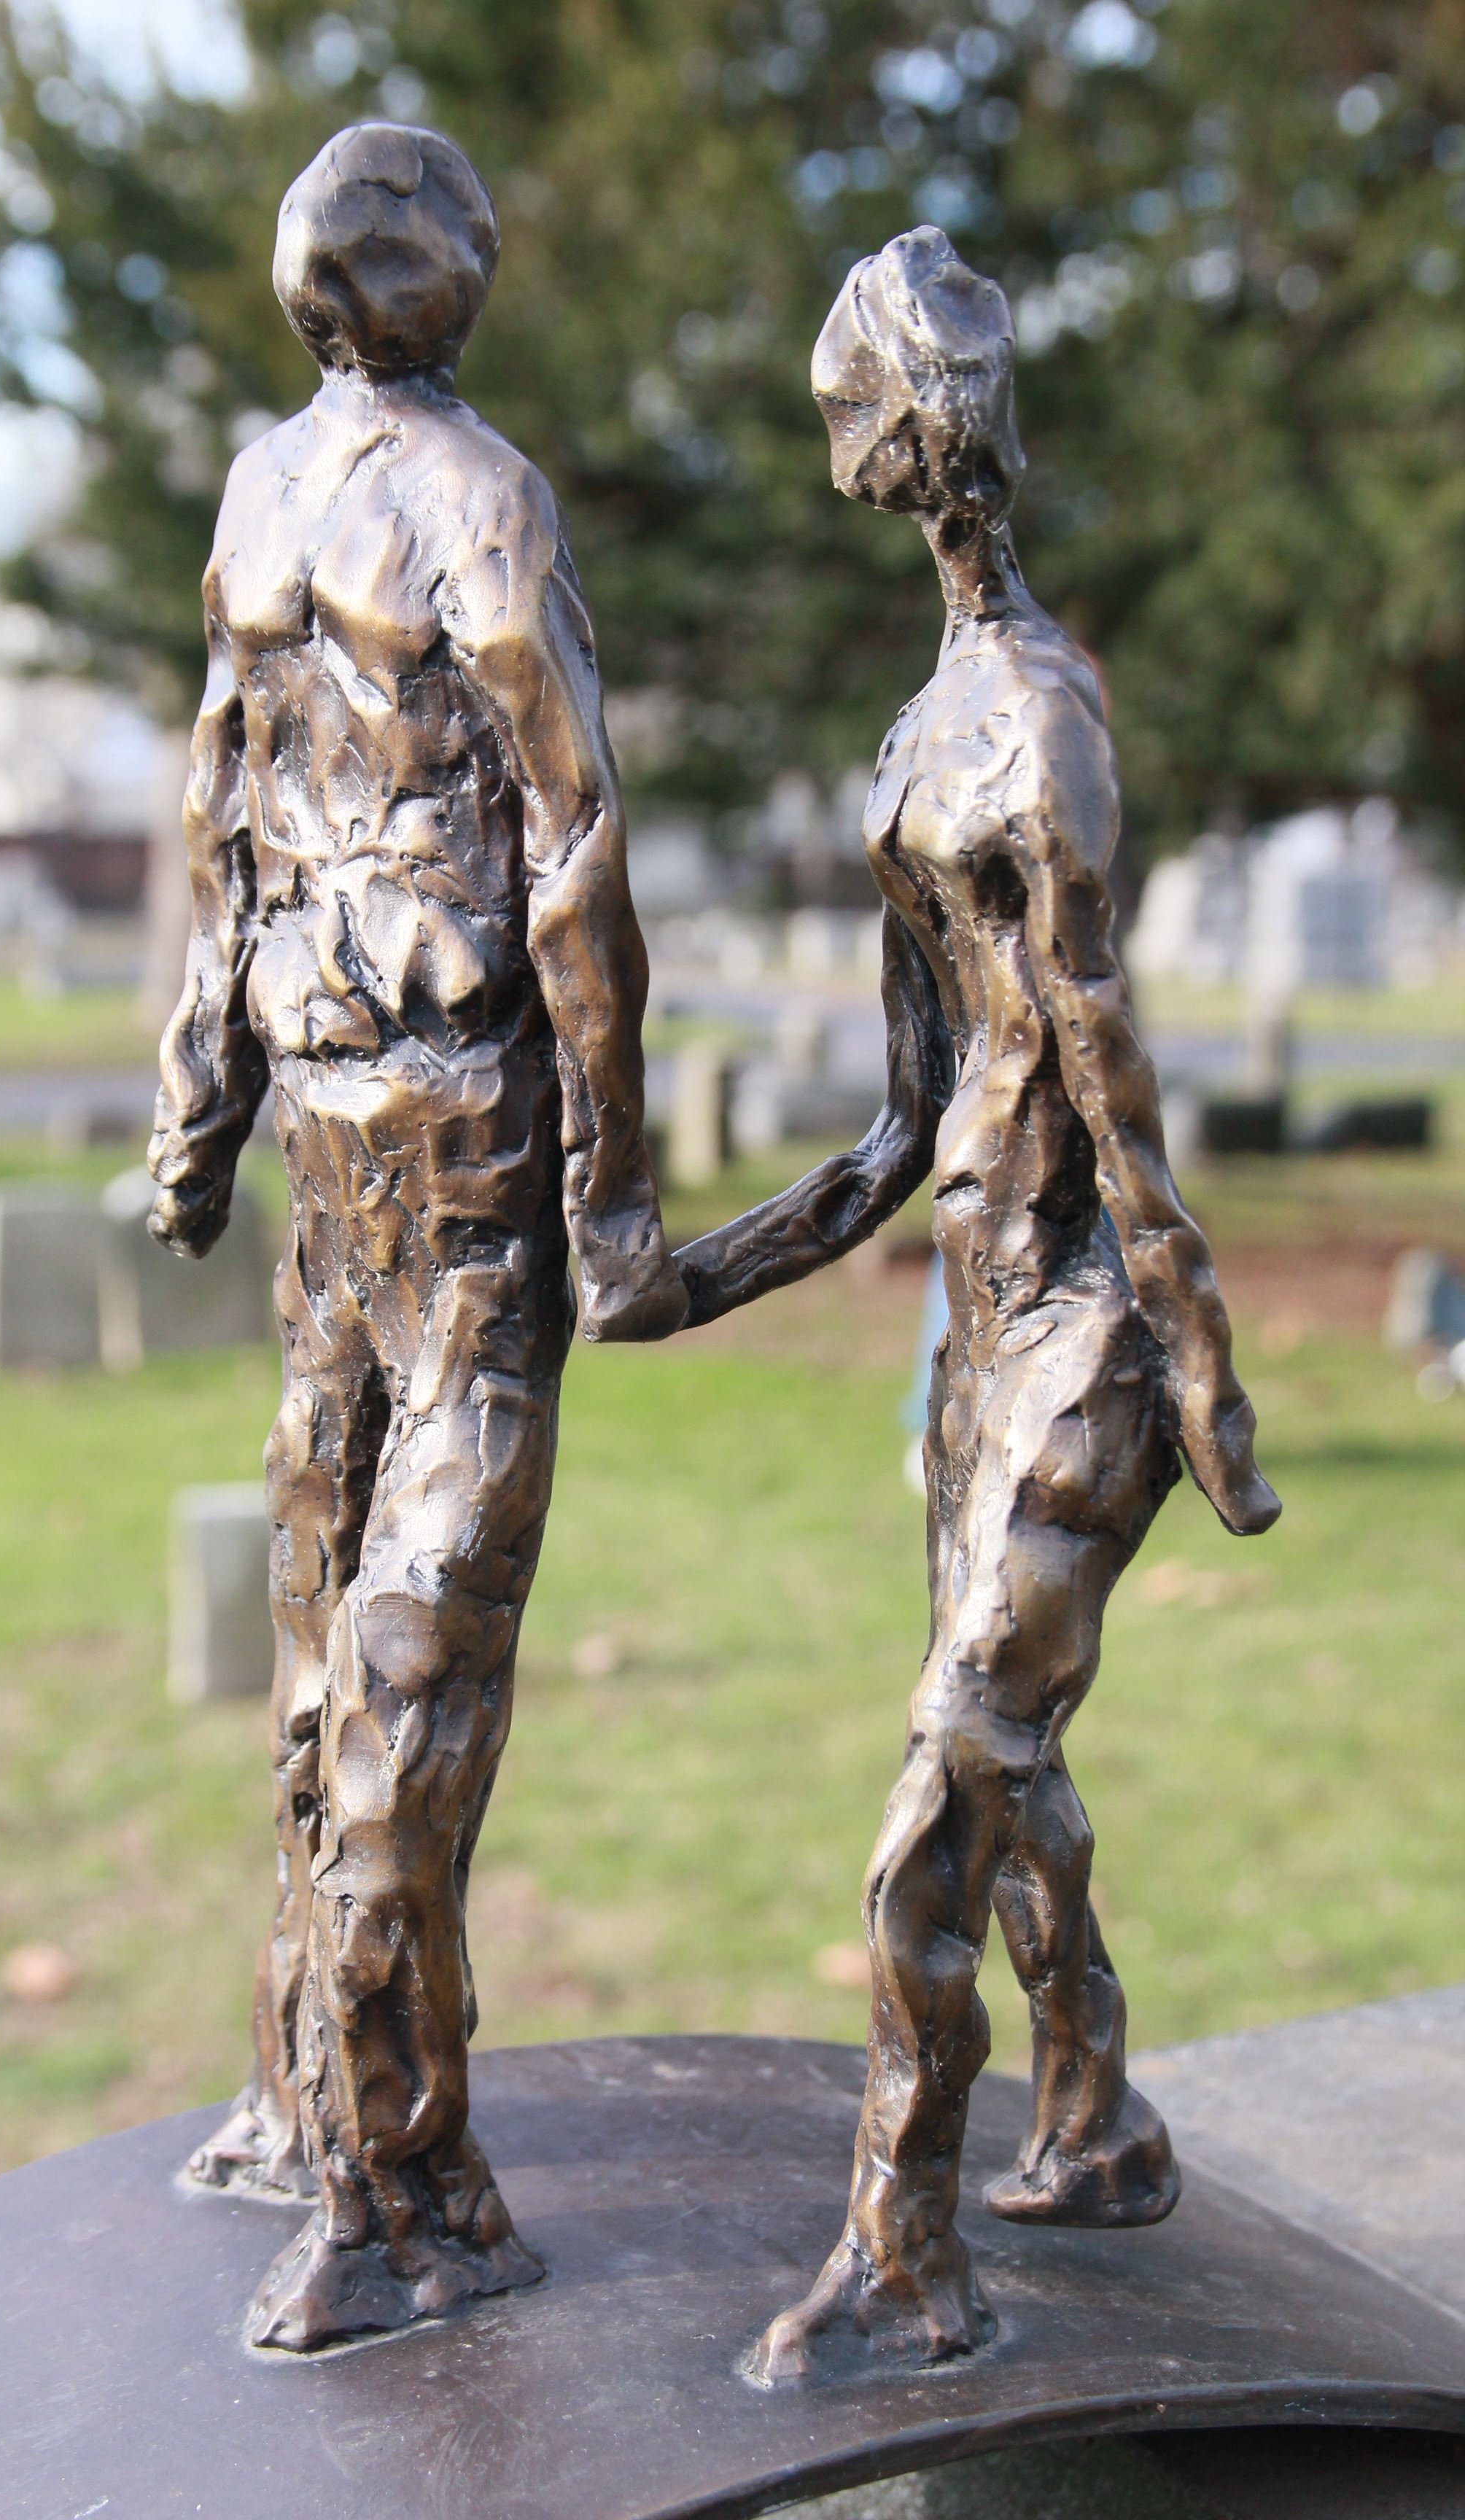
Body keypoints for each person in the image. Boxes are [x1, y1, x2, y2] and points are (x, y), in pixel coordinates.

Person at [675, 227, 1279, 2381]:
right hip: (980, 1334)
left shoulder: (1035, 723)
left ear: (921, 433)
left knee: (935, 1808)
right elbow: (902, 1118)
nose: (861, 444)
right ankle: (1097, 2117)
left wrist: (1199, 1372)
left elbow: (1112, 1067)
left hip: (1091, 1333)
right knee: (1012, 1776)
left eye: (866, 405)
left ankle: (908, 2250)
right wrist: (690, 1276)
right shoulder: (913, 740)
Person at [147, 120, 685, 2354]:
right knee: (414, 1642)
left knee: (319, 1582)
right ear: (448, 280)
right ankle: (395, 2188)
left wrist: (197, 1101)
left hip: (315, 1103)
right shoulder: (478, 500)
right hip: (454, 1128)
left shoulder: (262, 497)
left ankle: (299, 2089)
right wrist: (624, 1185)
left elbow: (223, 800)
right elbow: (567, 843)